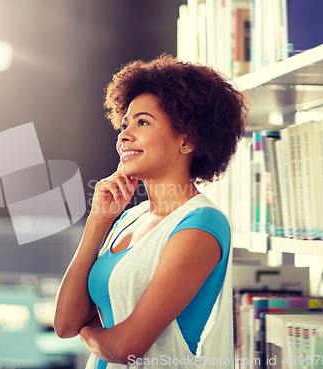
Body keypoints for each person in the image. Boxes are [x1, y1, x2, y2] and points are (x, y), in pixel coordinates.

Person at [54, 55, 249, 369]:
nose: (124, 135)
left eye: (142, 122)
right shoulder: (130, 218)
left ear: (187, 140)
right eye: (125, 124)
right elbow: (65, 323)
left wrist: (88, 332)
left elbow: (126, 348)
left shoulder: (200, 225)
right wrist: (98, 221)